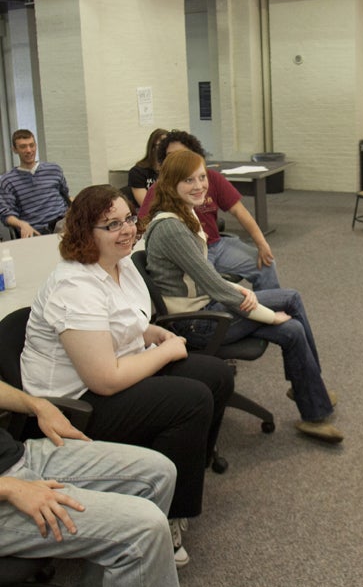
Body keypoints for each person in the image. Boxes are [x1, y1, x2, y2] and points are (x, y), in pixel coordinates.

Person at [20, 184, 235, 567]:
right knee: (192, 400)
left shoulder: (120, 263)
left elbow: (126, 322)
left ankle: (178, 476)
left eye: (129, 219)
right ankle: (165, 516)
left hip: (113, 374)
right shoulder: (74, 285)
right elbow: (105, 378)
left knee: (217, 375)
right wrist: (166, 350)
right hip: (74, 406)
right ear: (86, 233)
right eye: (112, 224)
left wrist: (151, 333)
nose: (127, 230)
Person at [143, 149, 343, 444]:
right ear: (171, 184)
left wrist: (243, 293)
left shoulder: (185, 215)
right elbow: (212, 284)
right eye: (189, 180)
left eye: (201, 178)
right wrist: (267, 313)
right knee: (290, 303)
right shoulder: (172, 228)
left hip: (207, 305)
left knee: (292, 328)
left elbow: (208, 278)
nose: (200, 186)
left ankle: (312, 404)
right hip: (195, 323)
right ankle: (313, 390)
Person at [0, 378, 186, 587]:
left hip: (15, 458)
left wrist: (36, 404)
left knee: (158, 474)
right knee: (144, 531)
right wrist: (11, 488)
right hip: (7, 488)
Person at [137, 129, 280, 290]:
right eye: (171, 156)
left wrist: (261, 243)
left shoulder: (210, 179)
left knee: (266, 264)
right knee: (212, 289)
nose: (179, 159)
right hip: (190, 252)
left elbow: (239, 211)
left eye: (183, 154)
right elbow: (144, 225)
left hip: (216, 245)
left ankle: (273, 306)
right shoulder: (160, 189)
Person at [0, 129, 70, 237]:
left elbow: (66, 197)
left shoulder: (54, 170)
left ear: (36, 146)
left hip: (64, 226)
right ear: (14, 150)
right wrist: (22, 224)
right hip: (35, 231)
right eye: (23, 147)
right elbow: (6, 213)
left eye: (31, 145)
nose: (29, 150)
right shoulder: (7, 181)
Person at [128, 127, 168, 206]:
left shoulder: (173, 170)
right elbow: (145, 205)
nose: (165, 150)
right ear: (152, 148)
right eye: (161, 146)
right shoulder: (137, 172)